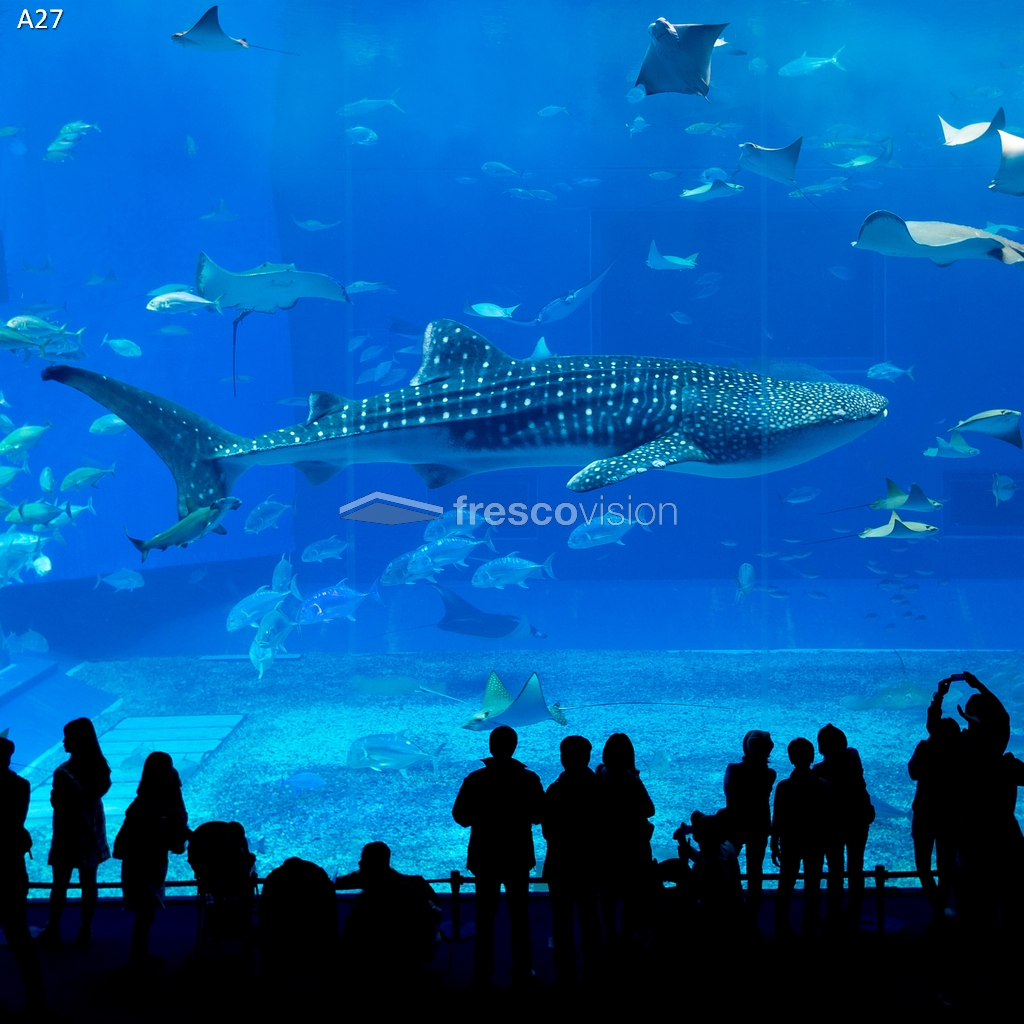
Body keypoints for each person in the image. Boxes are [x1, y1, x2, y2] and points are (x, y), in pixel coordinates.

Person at [452, 725, 544, 986]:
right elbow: (540, 815)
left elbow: (460, 817)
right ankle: (523, 971)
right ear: (514, 747)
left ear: (491, 747)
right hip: (517, 856)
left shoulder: (475, 779)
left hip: (486, 857)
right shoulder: (528, 779)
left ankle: (482, 972)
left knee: (484, 916)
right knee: (520, 916)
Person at [113, 751, 190, 967]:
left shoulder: (148, 800)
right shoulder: (150, 803)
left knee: (147, 912)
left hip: (149, 861)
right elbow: (169, 826)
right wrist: (183, 836)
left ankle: (139, 954)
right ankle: (138, 956)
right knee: (146, 911)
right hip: (143, 863)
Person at [41, 717, 112, 948]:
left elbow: (60, 805)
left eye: (68, 737)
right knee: (89, 882)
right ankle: (86, 929)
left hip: (67, 835)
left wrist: (57, 798)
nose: (63, 741)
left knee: (59, 884)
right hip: (92, 832)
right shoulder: (100, 767)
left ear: (78, 739)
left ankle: (53, 928)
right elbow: (92, 795)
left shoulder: (64, 772)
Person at [542, 735, 602, 983]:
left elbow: (547, 831)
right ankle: (594, 969)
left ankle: (564, 972)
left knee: (562, 920)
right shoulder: (599, 788)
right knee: (590, 918)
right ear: (587, 758)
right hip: (590, 865)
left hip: (561, 865)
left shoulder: (555, 790)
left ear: (563, 758)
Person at [337, 842, 441, 975]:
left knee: (353, 920)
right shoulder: (412, 884)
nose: (359, 863)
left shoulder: (370, 892)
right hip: (407, 943)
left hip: (389, 945)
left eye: (363, 859)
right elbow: (435, 912)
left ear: (372, 863)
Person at [595, 732, 656, 947]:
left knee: (608, 896)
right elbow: (650, 809)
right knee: (633, 895)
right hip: (632, 848)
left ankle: (610, 938)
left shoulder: (600, 773)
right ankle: (627, 938)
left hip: (606, 848)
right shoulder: (629, 779)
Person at [907, 677, 961, 920]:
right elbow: (934, 725)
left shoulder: (927, 748)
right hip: (950, 815)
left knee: (923, 864)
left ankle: (938, 906)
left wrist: (939, 696)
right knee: (947, 865)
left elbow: (913, 772)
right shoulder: (960, 752)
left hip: (925, 814)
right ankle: (941, 903)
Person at [812, 723, 874, 929]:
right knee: (856, 866)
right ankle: (854, 910)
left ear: (821, 747)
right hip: (858, 820)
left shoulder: (819, 770)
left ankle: (833, 914)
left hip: (833, 825)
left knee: (835, 869)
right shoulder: (853, 757)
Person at [0, 735, 45, 1011]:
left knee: (18, 933)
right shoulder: (21, 785)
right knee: (19, 933)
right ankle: (36, 996)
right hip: (11, 866)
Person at [771, 737, 832, 939]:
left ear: (790, 759)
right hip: (815, 842)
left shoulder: (783, 787)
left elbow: (777, 818)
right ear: (813, 756)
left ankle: (781, 927)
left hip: (790, 842)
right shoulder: (822, 785)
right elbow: (827, 816)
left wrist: (774, 844)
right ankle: (809, 931)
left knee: (785, 885)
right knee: (812, 887)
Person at [723, 730, 776, 917]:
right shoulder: (770, 774)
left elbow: (728, 794)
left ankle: (730, 905)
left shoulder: (733, 770)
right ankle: (753, 911)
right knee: (755, 871)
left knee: (728, 866)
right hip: (759, 826)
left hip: (735, 825)